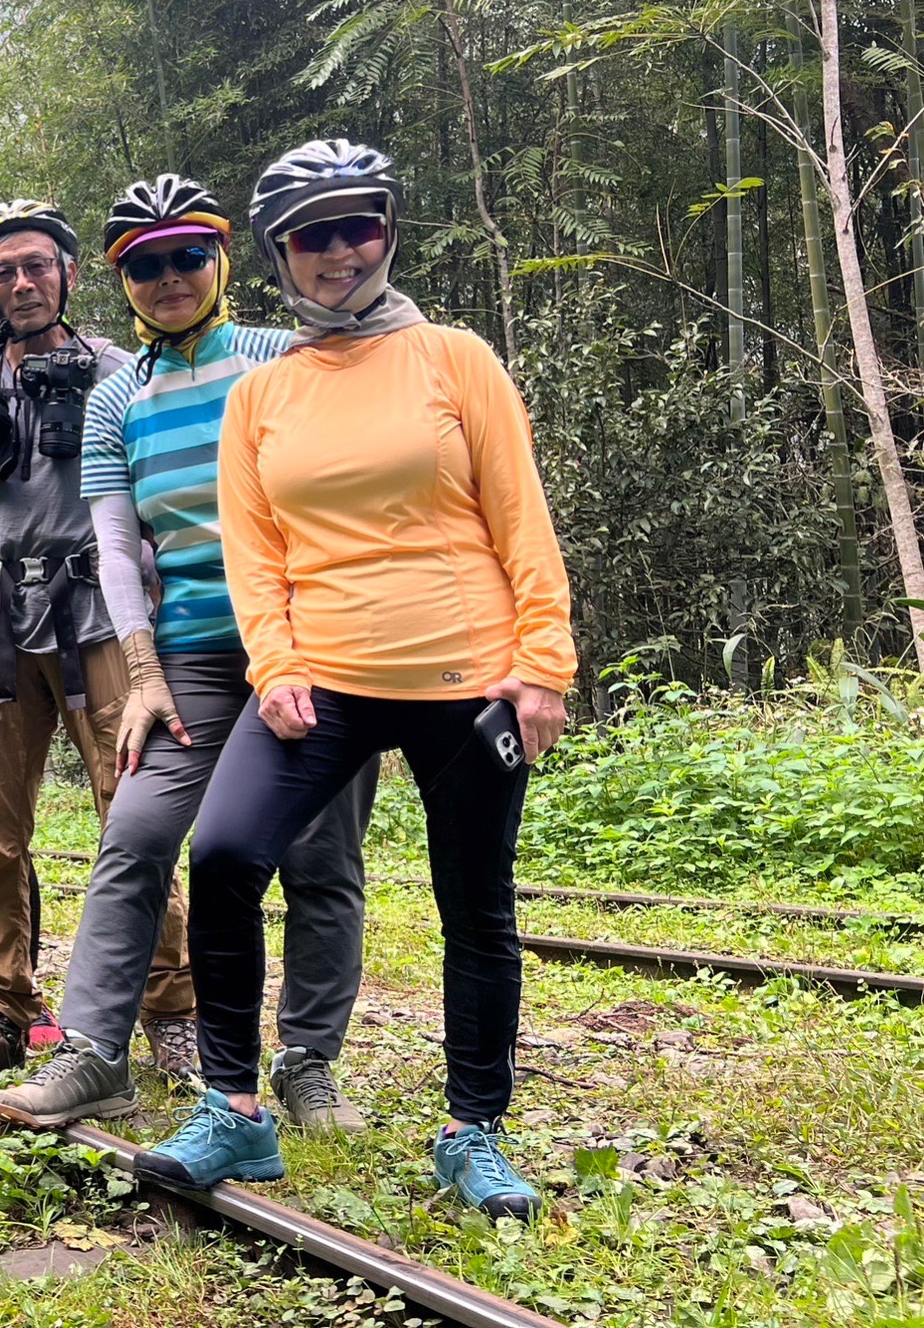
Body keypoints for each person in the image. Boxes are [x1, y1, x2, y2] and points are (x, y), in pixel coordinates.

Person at [139, 140, 573, 1222]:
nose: (339, 252)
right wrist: (275, 666)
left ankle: (474, 1130)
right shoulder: (264, 392)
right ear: (282, 253)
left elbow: (520, 515)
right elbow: (256, 554)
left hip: (465, 673)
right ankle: (235, 1109)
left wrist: (543, 666)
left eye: (358, 226)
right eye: (314, 235)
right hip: (323, 675)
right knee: (229, 851)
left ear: (386, 229)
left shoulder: (454, 357)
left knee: (476, 902)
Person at [0, 176, 379, 1132]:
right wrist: (146, 672)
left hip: (311, 641)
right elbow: (116, 544)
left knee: (322, 853)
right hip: (193, 651)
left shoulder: (278, 357)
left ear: (221, 261)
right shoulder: (117, 396)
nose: (169, 276)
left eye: (187, 256)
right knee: (137, 834)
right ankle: (93, 1053)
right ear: (121, 279)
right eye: (147, 263)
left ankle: (310, 1062)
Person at [0, 200, 195, 1076]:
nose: (20, 283)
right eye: (1, 271)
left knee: (131, 814)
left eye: (35, 265)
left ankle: (172, 1003)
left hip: (101, 616)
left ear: (67, 271)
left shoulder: (119, 370)